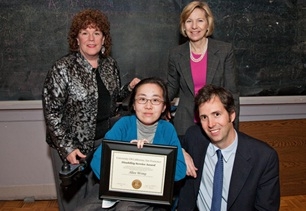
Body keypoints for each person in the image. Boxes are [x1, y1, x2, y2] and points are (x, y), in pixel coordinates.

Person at [42, 9, 140, 211]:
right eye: (85, 32)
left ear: (104, 39)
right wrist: (67, 148)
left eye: (96, 33)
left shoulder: (110, 65)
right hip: (71, 148)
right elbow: (52, 113)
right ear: (76, 38)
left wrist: (129, 89)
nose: (91, 38)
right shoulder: (62, 68)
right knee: (74, 205)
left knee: (101, 201)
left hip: (103, 144)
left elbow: (111, 101)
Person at [75, 77, 186, 211]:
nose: (148, 106)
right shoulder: (123, 125)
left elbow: (180, 170)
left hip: (149, 190)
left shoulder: (167, 130)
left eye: (155, 100)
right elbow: (98, 161)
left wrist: (149, 155)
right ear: (133, 104)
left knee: (126, 208)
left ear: (163, 107)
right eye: (142, 99)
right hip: (113, 186)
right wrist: (128, 158)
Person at [177, 84, 280, 211]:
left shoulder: (263, 157)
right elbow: (167, 143)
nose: (211, 124)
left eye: (216, 114)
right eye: (204, 117)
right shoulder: (194, 137)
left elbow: (266, 208)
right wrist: (181, 152)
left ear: (231, 115)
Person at [167, 1, 240, 137]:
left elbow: (232, 93)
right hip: (185, 125)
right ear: (183, 26)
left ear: (208, 24)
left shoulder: (224, 50)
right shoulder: (176, 54)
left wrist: (234, 128)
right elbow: (171, 88)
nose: (194, 26)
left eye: (200, 20)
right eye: (189, 21)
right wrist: (153, 98)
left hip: (216, 124)